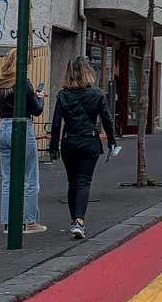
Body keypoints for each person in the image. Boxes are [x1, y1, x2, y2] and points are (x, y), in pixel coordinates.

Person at [49, 56, 116, 240]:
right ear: (88, 72)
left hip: (69, 142)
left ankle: (74, 220)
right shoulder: (97, 94)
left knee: (72, 183)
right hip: (90, 142)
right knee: (84, 181)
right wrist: (112, 141)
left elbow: (56, 124)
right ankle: (80, 220)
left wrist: (53, 147)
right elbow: (107, 120)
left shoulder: (63, 95)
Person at [0, 48, 47, 235]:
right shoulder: (23, 83)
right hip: (22, 127)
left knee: (8, 179)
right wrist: (40, 98)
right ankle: (29, 221)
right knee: (30, 178)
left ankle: (8, 222)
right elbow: (36, 110)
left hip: (3, 128)